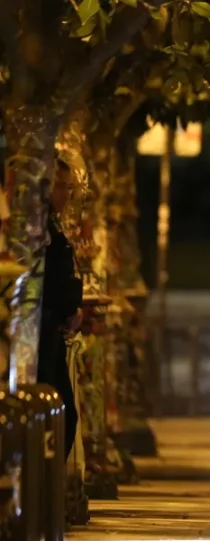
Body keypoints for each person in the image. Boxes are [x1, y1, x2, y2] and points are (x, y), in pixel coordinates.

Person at [38, 160, 83, 459]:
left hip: (54, 327)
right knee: (57, 414)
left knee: (63, 414)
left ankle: (48, 489)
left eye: (69, 187)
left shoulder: (51, 222)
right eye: (62, 186)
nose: (66, 194)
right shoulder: (37, 224)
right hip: (43, 330)